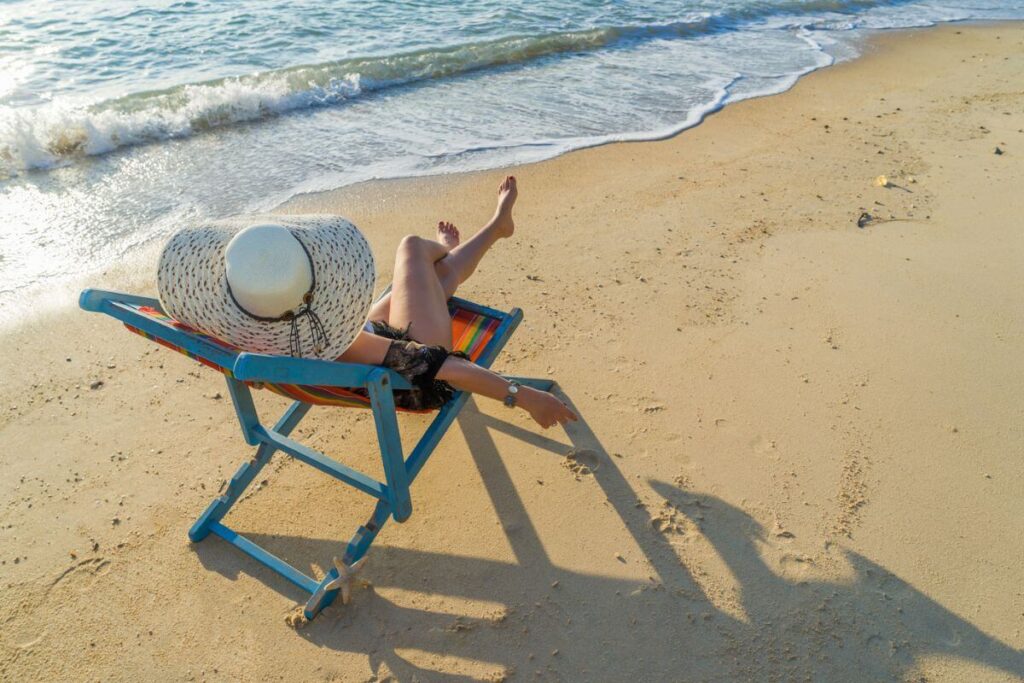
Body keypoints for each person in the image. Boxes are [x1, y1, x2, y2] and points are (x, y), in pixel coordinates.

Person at [339, 176, 577, 429]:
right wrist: (526, 397)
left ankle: (489, 230)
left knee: (431, 276)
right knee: (413, 247)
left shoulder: (301, 336)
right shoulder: (340, 342)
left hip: (373, 343)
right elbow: (434, 363)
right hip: (410, 381)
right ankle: (454, 246)